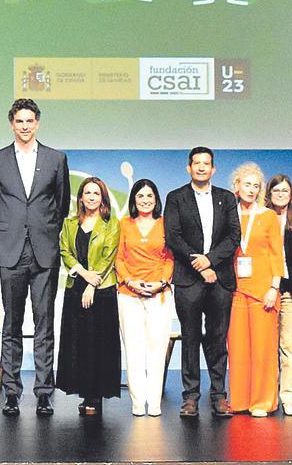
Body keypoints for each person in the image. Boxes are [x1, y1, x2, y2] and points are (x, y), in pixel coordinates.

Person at [0, 98, 70, 417]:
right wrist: (11, 231)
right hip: (11, 251)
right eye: (19, 121)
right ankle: (11, 391)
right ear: (11, 123)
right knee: (11, 324)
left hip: (45, 251)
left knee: (45, 325)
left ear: (37, 123)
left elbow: (61, 205)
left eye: (29, 120)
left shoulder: (56, 158)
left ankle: (45, 391)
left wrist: (41, 229)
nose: (24, 126)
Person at [164, 146, 240, 418]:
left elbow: (234, 237)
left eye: (206, 164)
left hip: (220, 279)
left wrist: (210, 261)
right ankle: (190, 397)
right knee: (191, 338)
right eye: (196, 163)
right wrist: (198, 264)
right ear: (188, 168)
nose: (201, 168)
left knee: (218, 339)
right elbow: (173, 236)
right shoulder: (176, 198)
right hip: (188, 280)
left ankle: (219, 395)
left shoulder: (226, 197)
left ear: (213, 169)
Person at [57, 177, 120, 416]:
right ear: (80, 197)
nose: (92, 197)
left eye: (96, 193)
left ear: (102, 197)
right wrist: (83, 274)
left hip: (101, 291)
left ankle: (96, 395)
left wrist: (92, 285)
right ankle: (85, 393)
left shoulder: (111, 223)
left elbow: (108, 257)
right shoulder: (69, 223)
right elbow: (65, 251)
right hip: (75, 289)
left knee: (99, 344)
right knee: (79, 344)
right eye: (87, 193)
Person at [226, 163, 283, 417]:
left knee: (263, 349)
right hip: (234, 289)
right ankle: (239, 401)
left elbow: (276, 254)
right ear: (236, 187)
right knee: (237, 349)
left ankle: (262, 401)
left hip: (263, 290)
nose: (251, 189)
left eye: (256, 185)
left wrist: (274, 286)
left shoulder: (268, 216)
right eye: (247, 184)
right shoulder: (228, 215)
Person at [116, 179, 173, 417]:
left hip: (159, 294)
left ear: (156, 199)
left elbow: (171, 258)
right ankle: (138, 402)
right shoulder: (124, 224)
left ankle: (155, 402)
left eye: (150, 196)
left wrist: (161, 282)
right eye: (141, 196)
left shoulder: (165, 224)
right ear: (134, 200)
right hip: (129, 294)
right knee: (134, 348)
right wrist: (130, 281)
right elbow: (118, 258)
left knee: (157, 348)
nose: (146, 200)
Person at [265, 174, 292, 416]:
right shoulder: (258, 218)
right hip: (265, 290)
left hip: (291, 291)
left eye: (285, 191)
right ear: (268, 194)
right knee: (266, 348)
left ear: (291, 195)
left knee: (289, 347)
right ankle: (266, 397)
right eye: (276, 190)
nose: (280, 194)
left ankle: (289, 398)